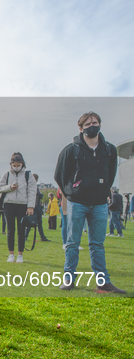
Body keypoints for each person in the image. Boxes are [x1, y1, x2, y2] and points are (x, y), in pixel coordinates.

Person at [54, 111, 125, 293]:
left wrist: (102, 191)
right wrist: (71, 192)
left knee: (97, 244)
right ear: (81, 128)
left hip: (100, 204)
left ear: (100, 125)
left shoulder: (109, 150)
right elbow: (59, 175)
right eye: (87, 124)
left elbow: (111, 174)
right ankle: (69, 279)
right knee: (72, 243)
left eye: (95, 122)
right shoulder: (71, 150)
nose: (92, 126)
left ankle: (103, 282)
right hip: (77, 202)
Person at [0, 152, 36, 263]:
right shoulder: (6, 174)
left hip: (22, 205)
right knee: (10, 229)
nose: (16, 167)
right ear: (11, 165)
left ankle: (20, 255)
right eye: (14, 165)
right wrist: (10, 187)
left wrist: (30, 206)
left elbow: (32, 191)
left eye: (18, 165)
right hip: (9, 204)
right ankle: (11, 254)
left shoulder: (28, 175)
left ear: (22, 164)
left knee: (21, 230)